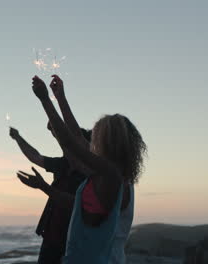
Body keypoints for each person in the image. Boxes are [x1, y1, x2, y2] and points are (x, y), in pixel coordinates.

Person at [17, 75, 146, 264]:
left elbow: (71, 141)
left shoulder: (109, 175)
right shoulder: (106, 175)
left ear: (108, 142)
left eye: (97, 135)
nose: (92, 141)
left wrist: (45, 100)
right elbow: (76, 136)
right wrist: (60, 97)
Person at [9, 124, 90, 264]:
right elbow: (35, 156)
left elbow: (76, 203)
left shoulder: (88, 173)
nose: (64, 146)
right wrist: (18, 138)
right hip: (51, 236)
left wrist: (42, 185)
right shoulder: (62, 164)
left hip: (74, 238)